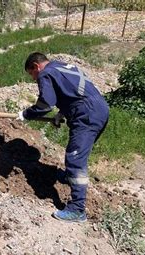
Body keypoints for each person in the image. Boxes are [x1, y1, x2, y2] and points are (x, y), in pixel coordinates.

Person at [18, 52, 109, 223]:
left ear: (36, 66)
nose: (33, 78)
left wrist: (26, 114)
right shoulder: (62, 66)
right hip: (99, 108)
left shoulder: (45, 73)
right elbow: (73, 91)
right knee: (78, 154)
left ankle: (77, 209)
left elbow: (45, 104)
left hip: (86, 114)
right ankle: (69, 177)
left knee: (75, 158)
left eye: (32, 74)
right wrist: (62, 112)